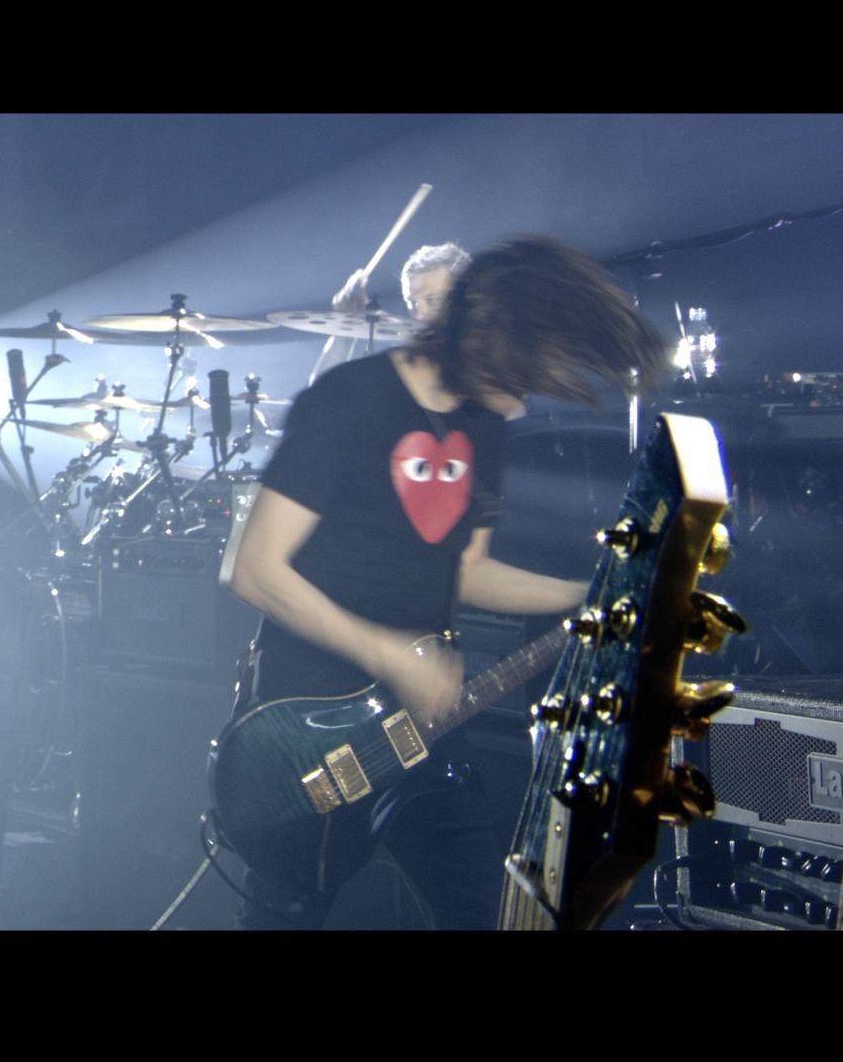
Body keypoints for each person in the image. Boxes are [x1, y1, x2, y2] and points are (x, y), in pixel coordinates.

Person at [222, 235, 668, 929]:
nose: (521, 404)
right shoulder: (348, 402)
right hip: (308, 732)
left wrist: (589, 595)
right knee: (289, 914)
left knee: (490, 914)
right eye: (520, 376)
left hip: (426, 733)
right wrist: (388, 654)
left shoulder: (483, 427)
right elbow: (253, 570)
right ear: (479, 336)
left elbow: (469, 571)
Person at [307, 242, 472, 385]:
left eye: (433, 300)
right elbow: (319, 400)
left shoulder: (488, 359)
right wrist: (344, 331)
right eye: (412, 303)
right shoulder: (404, 366)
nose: (419, 314)